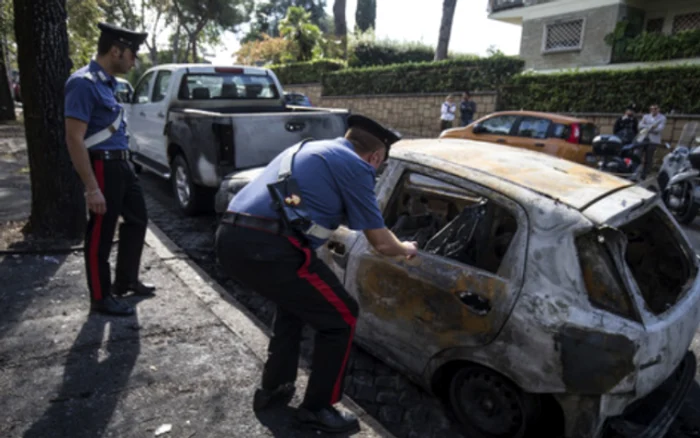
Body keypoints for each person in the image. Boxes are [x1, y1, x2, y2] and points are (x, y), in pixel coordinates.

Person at [215, 115, 418, 434]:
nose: (375, 172)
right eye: (378, 166)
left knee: (294, 307)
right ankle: (318, 408)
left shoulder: (308, 149)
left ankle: (275, 389)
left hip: (231, 237)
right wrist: (405, 247)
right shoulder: (357, 165)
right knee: (343, 318)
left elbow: (302, 204)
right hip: (270, 247)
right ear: (376, 157)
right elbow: (380, 242)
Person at [64, 22, 156, 317]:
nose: (134, 60)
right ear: (115, 50)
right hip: (103, 165)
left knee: (138, 219)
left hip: (122, 163)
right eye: (132, 53)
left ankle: (125, 281)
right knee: (101, 232)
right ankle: (101, 297)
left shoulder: (108, 83)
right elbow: (74, 137)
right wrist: (92, 188)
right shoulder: (83, 83)